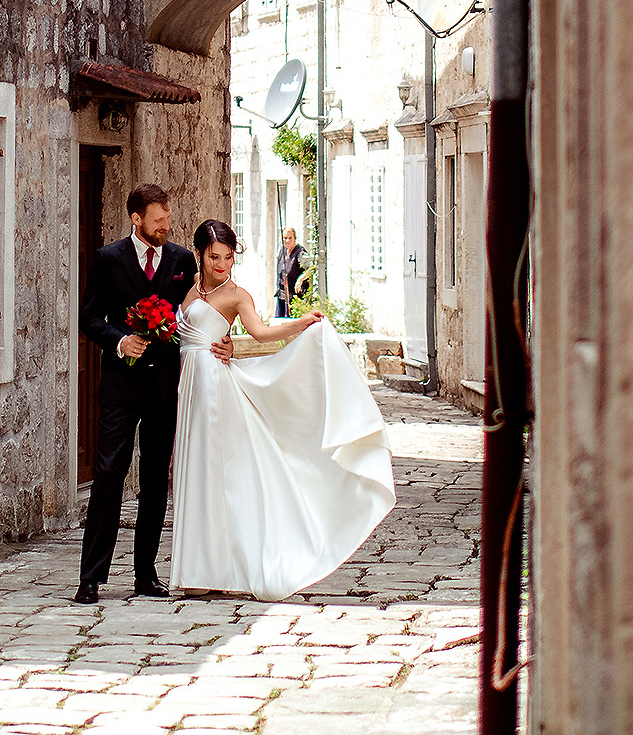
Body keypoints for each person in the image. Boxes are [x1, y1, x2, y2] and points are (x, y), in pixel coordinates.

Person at [167, 219, 395, 600]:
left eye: (227, 257)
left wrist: (301, 324)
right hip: (190, 385)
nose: (221, 265)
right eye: (214, 257)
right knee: (196, 472)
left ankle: (223, 568)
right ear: (200, 255)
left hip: (214, 390)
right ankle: (199, 568)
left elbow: (260, 332)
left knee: (215, 472)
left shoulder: (237, 295)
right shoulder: (191, 287)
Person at [75, 184, 229, 603]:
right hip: (120, 388)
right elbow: (89, 318)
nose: (166, 226)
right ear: (136, 219)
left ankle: (146, 574)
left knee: (156, 480)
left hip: (165, 387)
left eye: (168, 218)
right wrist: (119, 341)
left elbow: (204, 310)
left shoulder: (181, 260)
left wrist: (226, 340)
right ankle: (91, 578)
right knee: (108, 473)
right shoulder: (109, 258)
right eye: (158, 220)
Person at [273, 228, 311, 317]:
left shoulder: (300, 253)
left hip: (295, 298)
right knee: (279, 322)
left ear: (294, 238)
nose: (287, 240)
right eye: (285, 238)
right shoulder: (282, 250)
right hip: (282, 295)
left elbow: (311, 267)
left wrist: (301, 279)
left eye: (290, 238)